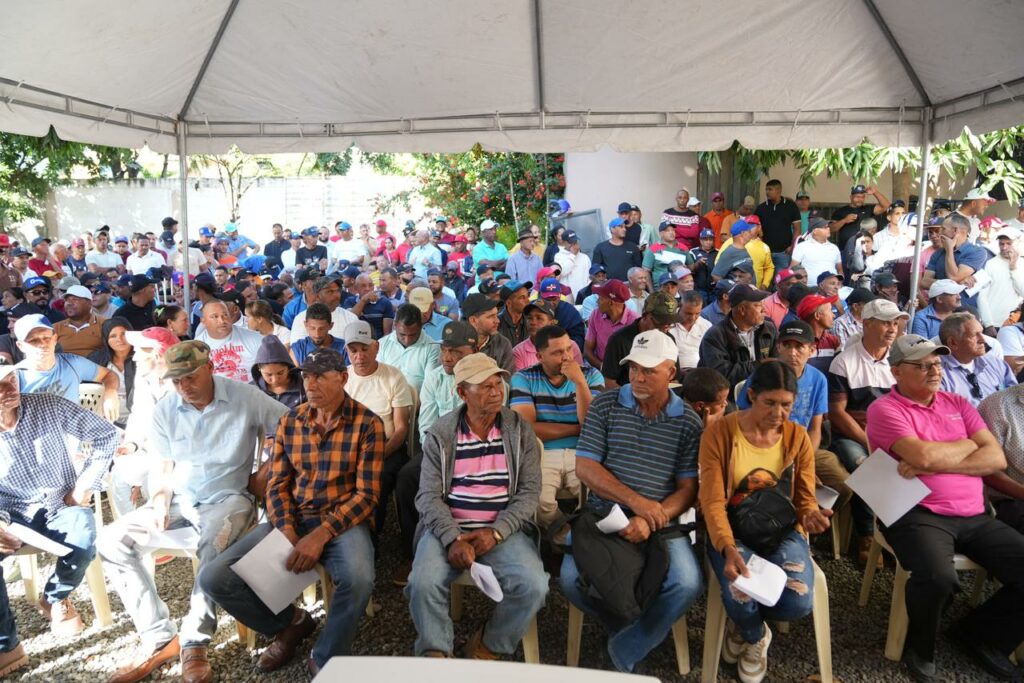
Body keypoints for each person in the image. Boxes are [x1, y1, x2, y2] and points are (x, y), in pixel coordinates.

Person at [101, 341, 289, 683]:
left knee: (211, 548)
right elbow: (162, 462)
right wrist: (159, 496)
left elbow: (294, 425)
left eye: (190, 377)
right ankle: (159, 636)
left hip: (229, 498)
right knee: (111, 541)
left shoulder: (244, 396)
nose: (184, 386)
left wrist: (267, 468)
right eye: (176, 380)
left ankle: (194, 642)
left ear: (210, 368)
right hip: (179, 498)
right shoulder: (166, 408)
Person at [865, 334, 1023, 682]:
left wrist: (937, 460)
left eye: (936, 363)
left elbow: (996, 458)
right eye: (922, 365)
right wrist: (968, 444)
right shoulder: (885, 409)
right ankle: (919, 648)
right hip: (916, 513)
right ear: (896, 372)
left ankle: (981, 635)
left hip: (975, 515)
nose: (934, 370)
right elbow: (921, 455)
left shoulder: (958, 403)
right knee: (938, 577)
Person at [560, 330, 703, 673]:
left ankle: (625, 648)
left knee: (687, 583)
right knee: (569, 580)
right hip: (603, 515)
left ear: (671, 372)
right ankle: (632, 629)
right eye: (634, 368)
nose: (638, 377)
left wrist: (653, 516)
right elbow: (585, 467)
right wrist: (638, 504)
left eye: (649, 370)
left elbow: (688, 488)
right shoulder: (606, 405)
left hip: (661, 521)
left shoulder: (687, 421)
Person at [407, 352, 546, 659]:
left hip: (502, 530)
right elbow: (428, 496)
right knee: (423, 583)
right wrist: (451, 538)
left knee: (534, 586)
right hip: (448, 528)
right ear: (462, 393)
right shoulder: (442, 434)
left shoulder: (519, 430)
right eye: (485, 386)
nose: (496, 392)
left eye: (498, 384)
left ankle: (487, 646)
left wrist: (496, 532)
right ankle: (436, 653)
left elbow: (529, 491)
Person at [700, 360, 829, 683]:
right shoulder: (721, 433)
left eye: (786, 405)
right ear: (752, 396)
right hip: (731, 528)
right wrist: (727, 546)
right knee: (740, 592)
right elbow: (712, 501)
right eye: (770, 403)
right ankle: (756, 634)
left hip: (780, 527)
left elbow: (804, 497)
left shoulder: (797, 437)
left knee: (798, 601)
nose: (778, 413)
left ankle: (744, 627)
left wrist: (810, 515)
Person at [0, 365, 117, 675]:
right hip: (8, 513)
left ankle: (55, 597)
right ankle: (6, 645)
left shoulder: (46, 405)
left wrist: (83, 487)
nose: (9, 389)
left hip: (60, 503)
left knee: (82, 539)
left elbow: (106, 435)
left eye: (11, 379)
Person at [827, 298, 905, 561]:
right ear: (867, 324)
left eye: (895, 323)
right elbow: (837, 414)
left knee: (913, 464)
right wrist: (870, 441)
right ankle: (868, 534)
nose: (893, 329)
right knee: (866, 465)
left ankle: (901, 532)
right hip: (851, 435)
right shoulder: (844, 362)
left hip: (891, 433)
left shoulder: (899, 362)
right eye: (886, 323)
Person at [510, 325, 604, 528]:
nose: (567, 357)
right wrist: (576, 429)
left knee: (597, 497)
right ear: (539, 356)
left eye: (569, 349)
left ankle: (581, 533)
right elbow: (528, 429)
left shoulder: (591, 375)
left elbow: (592, 423)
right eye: (557, 352)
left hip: (582, 451)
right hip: (543, 451)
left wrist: (580, 383)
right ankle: (564, 535)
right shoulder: (523, 378)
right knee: (539, 502)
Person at [14, 313, 119, 419]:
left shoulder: (73, 363)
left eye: (46, 338)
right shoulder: (14, 377)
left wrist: (110, 392)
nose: (42, 344)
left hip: (72, 427)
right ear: (21, 346)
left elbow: (109, 375)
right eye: (33, 340)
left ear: (55, 339)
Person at [698, 284, 778, 386]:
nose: (764, 310)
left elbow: (778, 362)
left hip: (764, 390)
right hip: (729, 393)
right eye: (758, 305)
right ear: (742, 310)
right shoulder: (715, 336)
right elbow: (720, 375)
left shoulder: (769, 329)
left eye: (763, 304)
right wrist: (759, 365)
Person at [600, 291, 680, 388]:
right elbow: (609, 381)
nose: (665, 329)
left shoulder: (668, 339)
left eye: (669, 324)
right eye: (660, 323)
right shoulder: (619, 340)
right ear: (645, 315)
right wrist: (632, 395)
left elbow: (674, 379)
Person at [938, 312, 1015, 405]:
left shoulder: (997, 364)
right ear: (953, 342)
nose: (983, 340)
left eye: (981, 333)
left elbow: (1015, 399)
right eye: (974, 335)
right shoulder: (937, 374)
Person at [920, 213, 990, 310]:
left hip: (962, 311)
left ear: (955, 231)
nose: (940, 233)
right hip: (937, 310)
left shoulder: (977, 252)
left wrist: (949, 250)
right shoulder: (938, 253)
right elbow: (924, 282)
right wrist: (957, 284)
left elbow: (954, 276)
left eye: (943, 229)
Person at [193, 300, 263, 383]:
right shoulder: (196, 347)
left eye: (225, 315)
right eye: (214, 316)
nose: (222, 321)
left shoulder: (255, 338)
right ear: (203, 321)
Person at [377, 303, 441, 392]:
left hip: (417, 399)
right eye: (402, 334)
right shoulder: (382, 344)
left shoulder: (432, 347)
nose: (407, 340)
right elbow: (378, 379)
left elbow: (430, 386)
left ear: (421, 326)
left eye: (413, 335)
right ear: (395, 325)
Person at [512, 298, 584, 370]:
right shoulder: (518, 352)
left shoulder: (570, 346)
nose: (533, 322)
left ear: (551, 323)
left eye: (539, 318)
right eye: (529, 318)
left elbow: (581, 374)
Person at [289, 276, 360, 343]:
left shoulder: (350, 318)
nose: (336, 295)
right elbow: (297, 349)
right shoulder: (301, 318)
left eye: (338, 291)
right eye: (330, 291)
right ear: (317, 296)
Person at [584, 279, 637, 369]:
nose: (597, 302)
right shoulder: (595, 314)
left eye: (600, 299)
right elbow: (587, 350)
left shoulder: (634, 322)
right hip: (600, 369)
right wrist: (603, 368)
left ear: (611, 303)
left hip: (627, 371)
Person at [979, 225, 1024, 328]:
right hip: (992, 324)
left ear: (1018, 243)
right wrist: (988, 324)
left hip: (1014, 324)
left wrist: (1013, 268)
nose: (1004, 248)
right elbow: (982, 296)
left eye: (1009, 243)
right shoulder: (990, 263)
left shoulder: (1022, 264)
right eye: (1001, 244)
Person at [828, 184, 891, 256]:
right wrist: (844, 220)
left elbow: (887, 206)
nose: (860, 199)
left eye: (862, 197)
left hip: (865, 250)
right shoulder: (840, 211)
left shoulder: (868, 209)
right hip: (846, 250)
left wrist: (875, 192)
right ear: (851, 197)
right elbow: (831, 229)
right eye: (857, 197)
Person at [459, 292, 513, 374]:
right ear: (473, 320)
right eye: (490, 316)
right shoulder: (453, 342)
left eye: (496, 315)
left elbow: (507, 377)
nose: (497, 321)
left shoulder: (502, 343)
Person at [754, 180, 802, 273]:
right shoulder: (761, 208)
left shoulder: (791, 206)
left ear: (778, 190)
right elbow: (755, 230)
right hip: (765, 252)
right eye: (766, 189)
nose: (767, 192)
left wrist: (792, 246)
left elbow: (797, 229)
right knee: (765, 279)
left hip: (784, 252)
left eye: (770, 189)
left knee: (782, 279)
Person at [251, 334, 306, 409]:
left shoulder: (304, 386)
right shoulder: (252, 390)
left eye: (280, 373)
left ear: (288, 367)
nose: (275, 380)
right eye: (269, 375)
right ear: (259, 368)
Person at [52, 284, 106, 357]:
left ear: (89, 303)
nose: (69, 303)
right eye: (67, 300)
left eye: (75, 299)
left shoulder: (104, 324)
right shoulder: (55, 328)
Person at [790, 217, 843, 285]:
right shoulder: (802, 246)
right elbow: (793, 268)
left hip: (832, 288)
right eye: (825, 227)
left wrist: (839, 284)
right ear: (814, 231)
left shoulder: (834, 248)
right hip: (809, 288)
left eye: (828, 227)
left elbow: (840, 270)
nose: (828, 228)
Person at [592, 218, 641, 282]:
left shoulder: (632, 247)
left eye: (625, 227)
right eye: (621, 227)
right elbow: (595, 269)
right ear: (612, 229)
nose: (624, 229)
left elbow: (638, 268)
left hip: (630, 284)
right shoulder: (600, 247)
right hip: (610, 285)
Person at [553, 230, 591, 300]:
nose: (574, 244)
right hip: (568, 297)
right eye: (571, 242)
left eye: (575, 241)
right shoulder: (558, 256)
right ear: (564, 242)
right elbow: (562, 272)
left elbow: (589, 277)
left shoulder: (585, 257)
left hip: (583, 297)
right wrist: (572, 255)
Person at [497, 280, 532, 347]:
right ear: (509, 303)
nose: (528, 301)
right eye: (522, 297)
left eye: (528, 296)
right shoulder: (497, 324)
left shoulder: (530, 321)